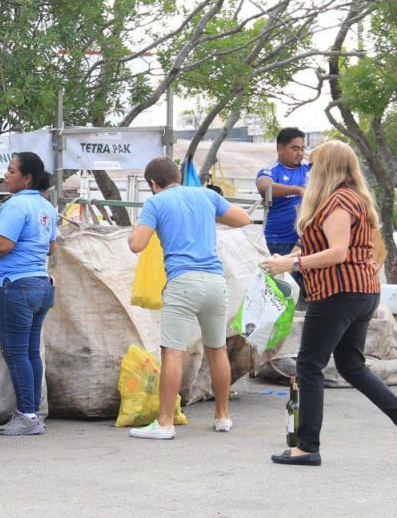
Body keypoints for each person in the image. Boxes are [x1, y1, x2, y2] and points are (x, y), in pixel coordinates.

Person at [262, 141, 397, 466]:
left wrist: (292, 265)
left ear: (327, 167)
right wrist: (289, 258)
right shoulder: (354, 198)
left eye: (313, 164)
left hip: (338, 293)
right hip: (361, 291)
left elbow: (337, 252)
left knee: (309, 365)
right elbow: (327, 247)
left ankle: (307, 446)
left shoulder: (338, 200)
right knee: (351, 366)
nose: (309, 170)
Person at [127, 157, 251, 440]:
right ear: (179, 176)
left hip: (183, 282)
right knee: (217, 349)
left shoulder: (155, 203)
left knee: (173, 352)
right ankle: (223, 417)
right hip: (215, 283)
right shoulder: (207, 195)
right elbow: (243, 219)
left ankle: (165, 423)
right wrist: (208, 214)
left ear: (152, 184)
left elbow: (137, 245)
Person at [0, 152, 57, 436]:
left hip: (16, 286)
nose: (6, 175)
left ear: (27, 177)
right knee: (31, 352)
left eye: (11, 171)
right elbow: (51, 249)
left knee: (16, 352)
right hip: (41, 286)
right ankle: (33, 412)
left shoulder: (15, 206)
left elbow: (3, 245)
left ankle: (26, 415)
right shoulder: (46, 207)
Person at [257, 127, 310, 291]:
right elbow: (264, 186)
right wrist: (297, 189)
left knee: (305, 292)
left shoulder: (308, 170)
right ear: (280, 148)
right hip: (278, 242)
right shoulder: (272, 170)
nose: (300, 153)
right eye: (295, 148)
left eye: (302, 148)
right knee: (280, 291)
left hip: (306, 243)